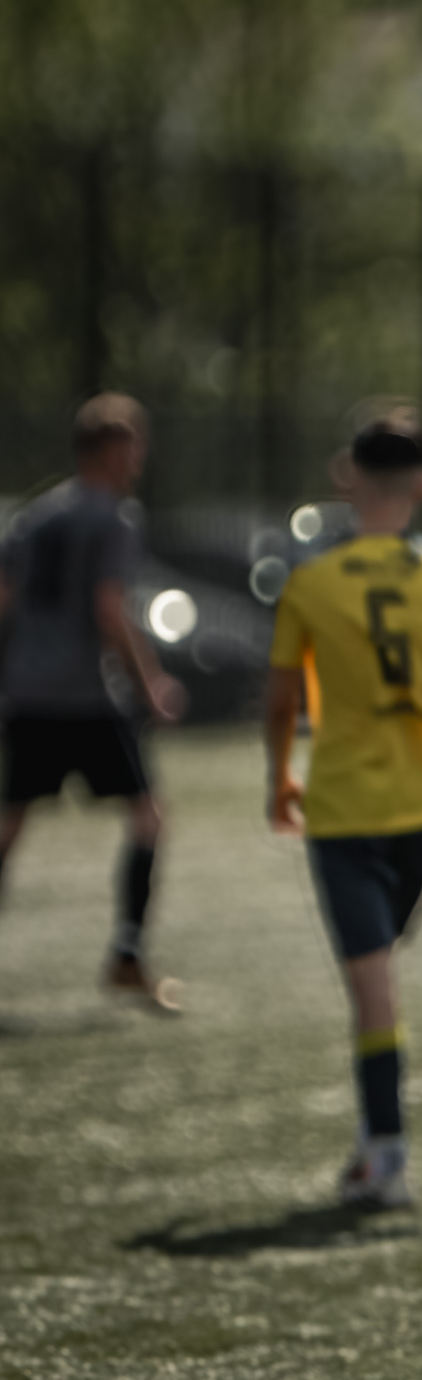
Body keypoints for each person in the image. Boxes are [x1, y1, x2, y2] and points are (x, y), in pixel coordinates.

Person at [265, 409, 422, 1211]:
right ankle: (378, 1148)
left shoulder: (311, 583)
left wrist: (278, 779)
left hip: (341, 807)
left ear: (349, 479)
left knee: (374, 984)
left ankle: (387, 1156)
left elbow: (280, 698)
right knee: (380, 977)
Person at [0, 393, 184, 1008]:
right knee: (148, 818)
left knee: (10, 824)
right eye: (134, 446)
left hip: (29, 690)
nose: (140, 458)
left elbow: (4, 597)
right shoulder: (114, 518)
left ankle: (128, 958)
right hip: (85, 695)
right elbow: (110, 608)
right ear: (111, 450)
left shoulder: (36, 516)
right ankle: (127, 955)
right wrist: (150, 684)